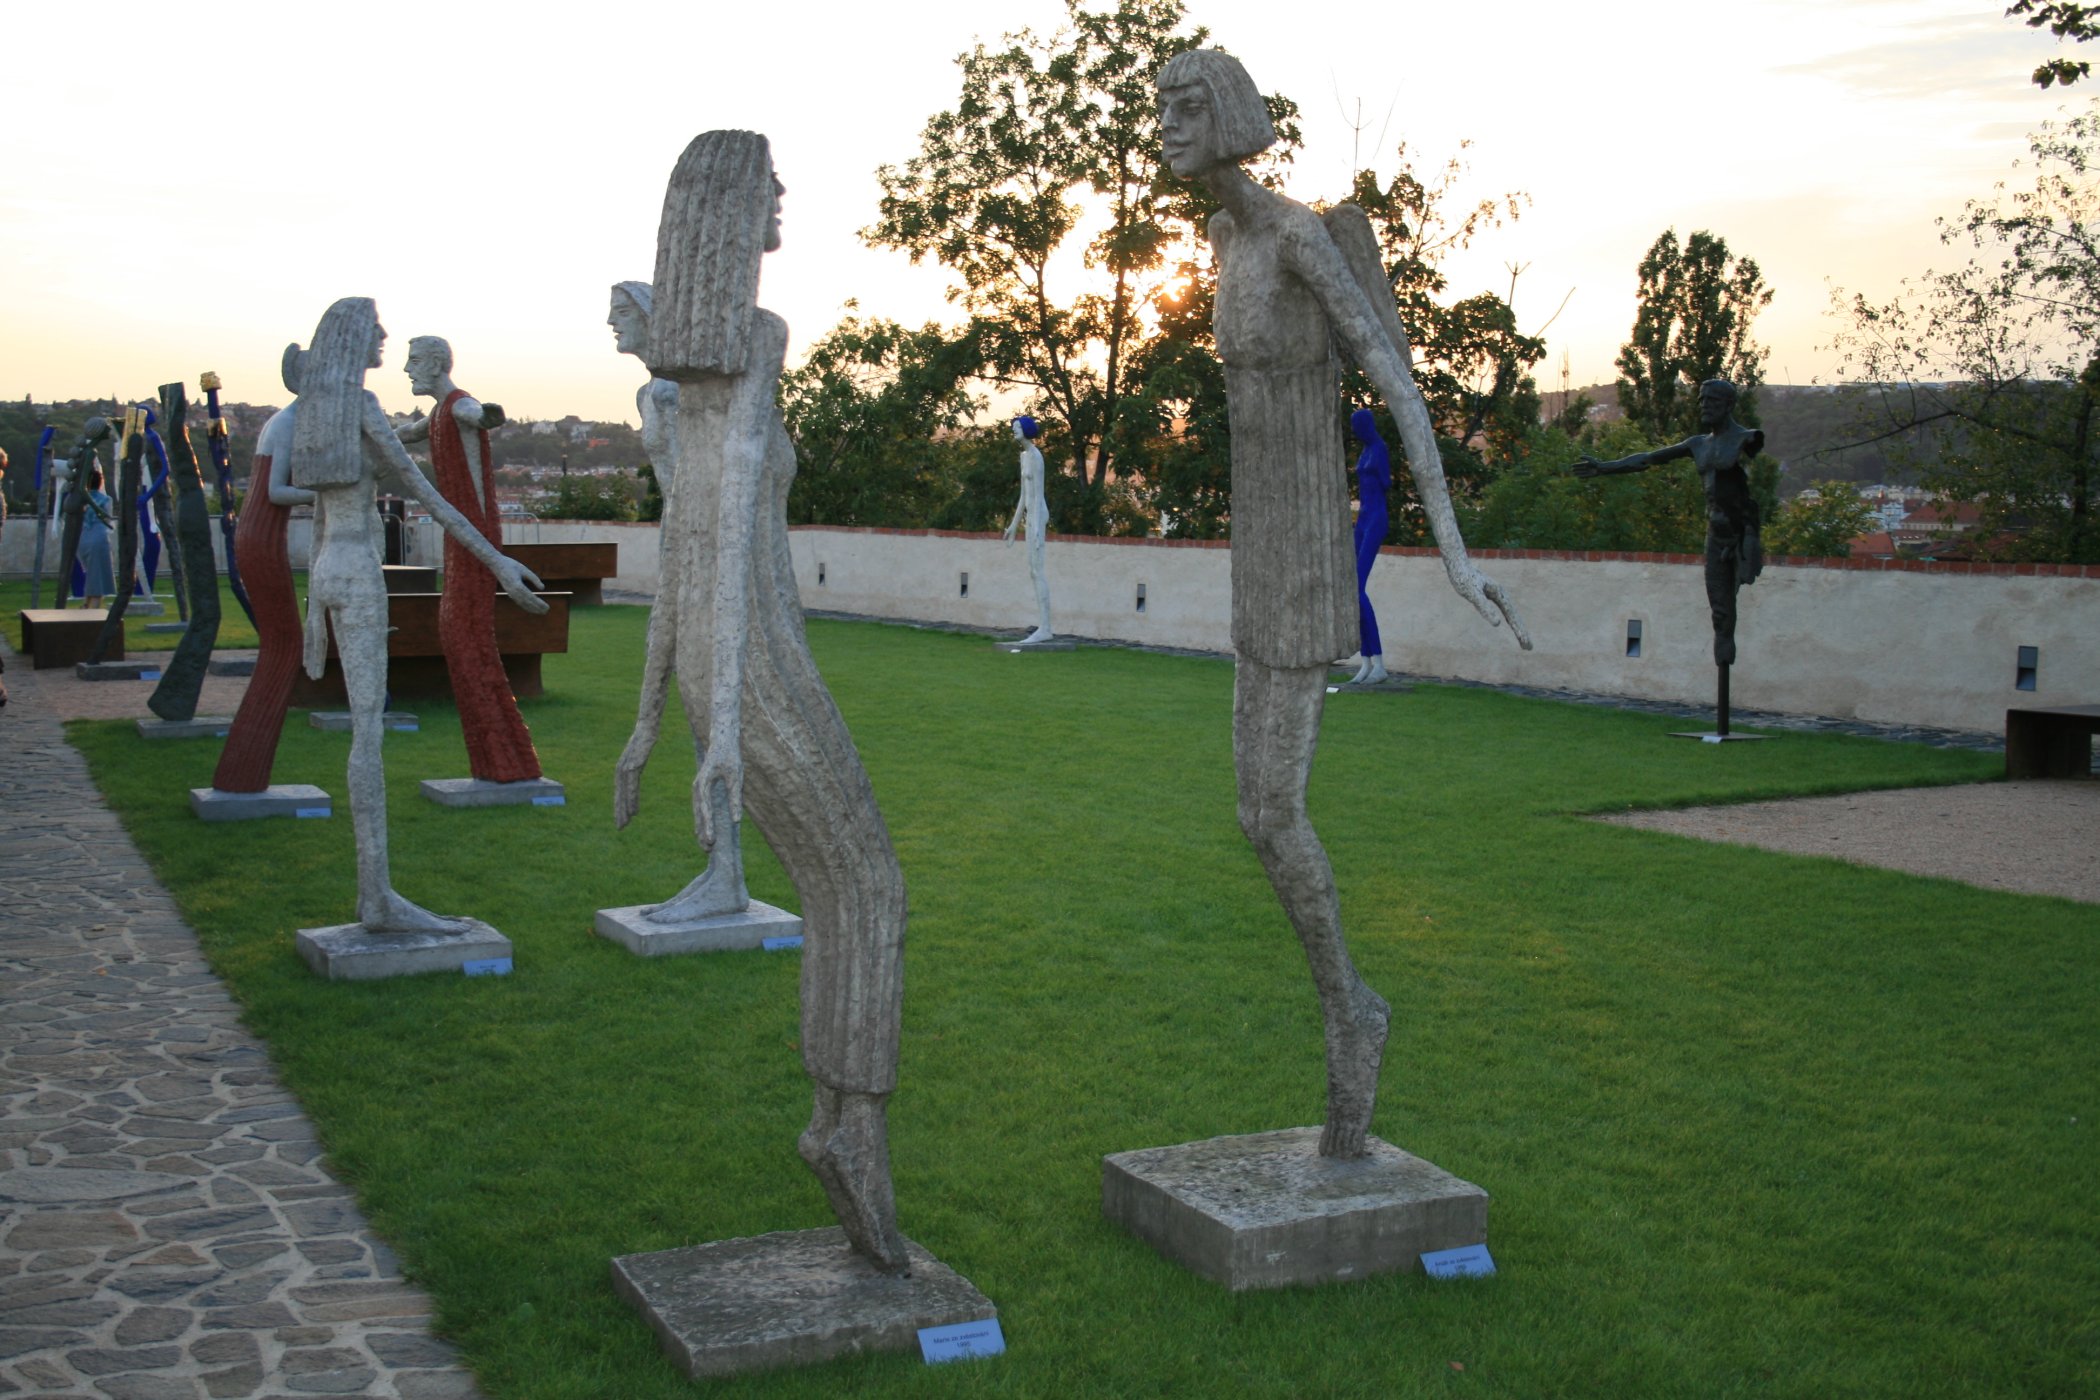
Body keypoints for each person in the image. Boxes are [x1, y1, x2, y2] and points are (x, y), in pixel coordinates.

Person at [1155, 50, 1528, 1159]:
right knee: (1254, 813)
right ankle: (1349, 1010)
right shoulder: (1223, 237)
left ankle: (1353, 1010)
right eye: (1160, 107)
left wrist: (1451, 547)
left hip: (1307, 553)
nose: (1166, 125)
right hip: (1257, 543)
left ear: (1228, 115)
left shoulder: (1295, 236)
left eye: (1185, 106)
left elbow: (1395, 381)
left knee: (1271, 812)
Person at [616, 130, 910, 1272]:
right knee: (867, 885)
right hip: (758, 655)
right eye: (770, 184)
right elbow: (732, 507)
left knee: (843, 888)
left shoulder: (678, 379)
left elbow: (682, 546)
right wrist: (723, 728)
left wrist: (659, 714)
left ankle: (841, 1120)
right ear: (734, 211)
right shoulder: (755, 338)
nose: (785, 196)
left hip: (718, 653)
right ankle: (850, 1130)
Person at [289, 297, 545, 934]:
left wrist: (314, 610)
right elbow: (428, 495)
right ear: (354, 339)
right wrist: (498, 561)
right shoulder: (362, 406)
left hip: (331, 570)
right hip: (357, 572)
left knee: (364, 731)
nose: (384, 338)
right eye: (376, 330)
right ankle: (379, 897)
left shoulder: (320, 412)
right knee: (368, 736)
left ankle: (374, 894)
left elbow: (319, 520)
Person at [609, 278, 749, 919]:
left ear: (650, 316)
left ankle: (726, 874)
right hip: (679, 545)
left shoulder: (682, 392)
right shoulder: (650, 393)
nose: (611, 323)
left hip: (707, 548)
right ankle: (722, 871)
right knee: (696, 706)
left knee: (710, 708)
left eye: (620, 312)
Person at [398, 335, 544, 785]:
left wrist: (489, 416)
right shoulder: (435, 416)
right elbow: (402, 435)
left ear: (437, 364)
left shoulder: (459, 405)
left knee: (465, 632)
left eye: (414, 360)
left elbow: (477, 414)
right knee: (458, 632)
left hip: (476, 534)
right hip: (458, 534)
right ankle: (497, 759)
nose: (407, 369)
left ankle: (507, 758)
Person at [1574, 378, 1764, 666]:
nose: (1704, 406)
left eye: (1711, 400)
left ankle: (1725, 664)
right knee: (1720, 612)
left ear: (1728, 405)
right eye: (1701, 400)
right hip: (1715, 534)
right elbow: (1647, 459)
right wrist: (1604, 468)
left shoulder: (1746, 438)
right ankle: (1723, 663)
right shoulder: (1698, 444)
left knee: (1727, 610)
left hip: (1741, 533)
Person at [210, 354, 312, 794]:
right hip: (262, 537)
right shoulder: (287, 423)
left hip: (260, 534)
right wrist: (327, 493)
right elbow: (276, 491)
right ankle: (242, 772)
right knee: (285, 646)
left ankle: (242, 772)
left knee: (282, 646)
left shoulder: (282, 421)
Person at [1347, 409, 1391, 686]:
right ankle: (1366, 661)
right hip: (1362, 518)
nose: (1355, 432)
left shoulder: (1379, 449)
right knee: (1352, 589)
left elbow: (1386, 482)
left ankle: (1379, 663)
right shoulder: (1365, 451)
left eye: (1357, 426)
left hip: (1375, 517)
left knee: (1357, 588)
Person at [1001, 415, 1055, 643]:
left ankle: (1045, 629)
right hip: (1030, 517)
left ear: (1026, 430)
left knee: (1037, 571)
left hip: (1038, 516)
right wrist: (1014, 525)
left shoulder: (1036, 457)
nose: (1014, 430)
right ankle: (1044, 627)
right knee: (1033, 571)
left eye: (1017, 427)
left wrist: (1036, 529)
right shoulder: (1023, 457)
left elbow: (1038, 494)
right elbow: (1024, 495)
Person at [76, 463, 116, 611]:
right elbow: (108, 520)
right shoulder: (106, 500)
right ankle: (92, 611)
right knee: (98, 580)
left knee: (91, 575)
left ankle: (86, 604)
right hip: (99, 540)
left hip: (83, 540)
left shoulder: (81, 500)